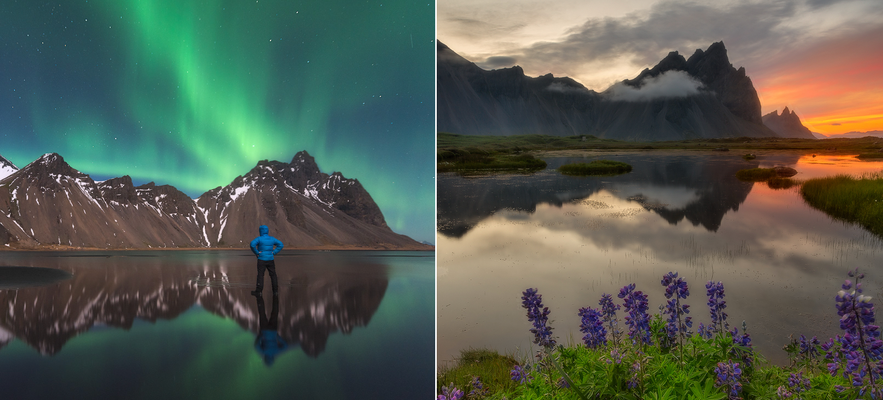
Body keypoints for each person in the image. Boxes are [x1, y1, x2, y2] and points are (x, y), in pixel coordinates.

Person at [250, 225, 283, 296]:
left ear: (260, 231)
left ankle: (259, 291)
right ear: (267, 231)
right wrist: (274, 252)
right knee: (273, 275)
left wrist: (257, 253)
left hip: (261, 259)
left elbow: (252, 244)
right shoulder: (272, 239)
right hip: (270, 259)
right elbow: (280, 245)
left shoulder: (259, 239)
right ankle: (275, 291)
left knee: (260, 275)